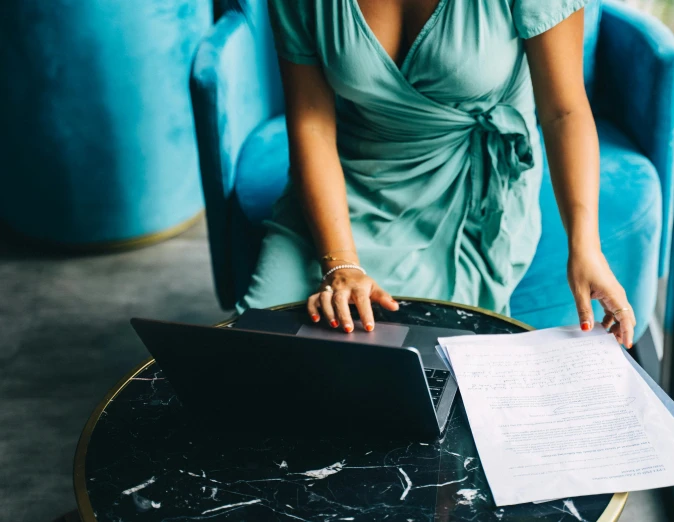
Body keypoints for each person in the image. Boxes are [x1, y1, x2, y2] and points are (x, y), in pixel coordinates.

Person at [238, 0, 637, 347]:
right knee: (254, 344)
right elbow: (312, 123)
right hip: (353, 179)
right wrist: (340, 263)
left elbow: (563, 111)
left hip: (472, 187)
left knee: (431, 367)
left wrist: (585, 245)